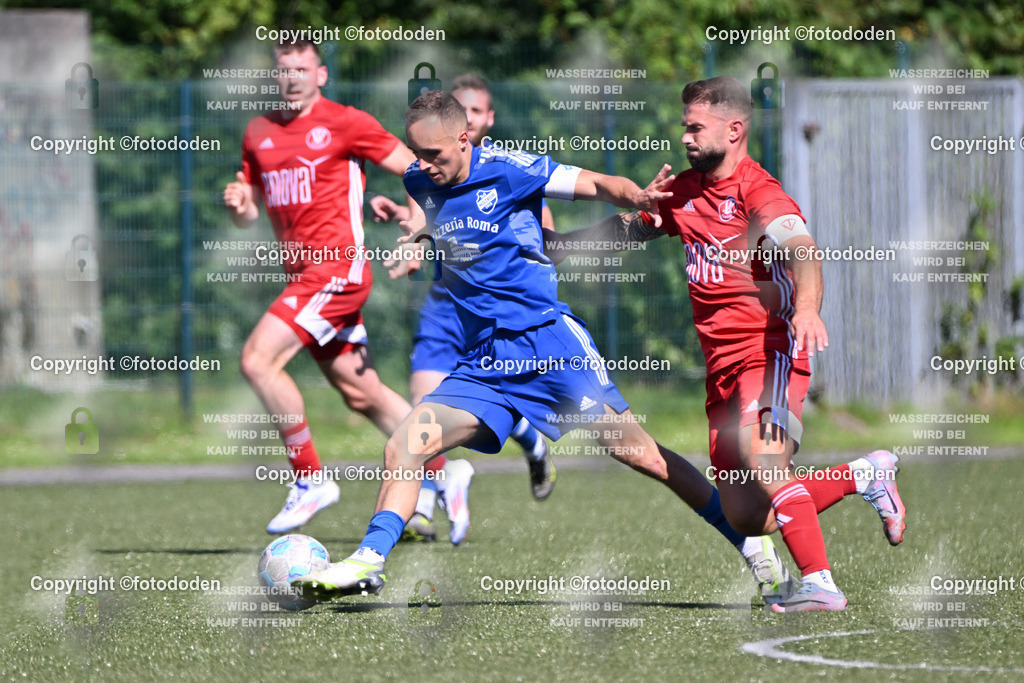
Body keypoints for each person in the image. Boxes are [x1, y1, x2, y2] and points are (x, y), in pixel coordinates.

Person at [293, 90, 795, 602]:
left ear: (464, 139)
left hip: (548, 346)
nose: (422, 164)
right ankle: (368, 561)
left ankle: (751, 544)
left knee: (642, 455)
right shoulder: (420, 180)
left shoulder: (510, 169)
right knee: (405, 445)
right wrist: (421, 237)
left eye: (433, 154)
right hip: (483, 361)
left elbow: (594, 183)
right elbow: (440, 216)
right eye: (416, 153)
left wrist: (637, 197)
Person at [545, 76, 907, 612]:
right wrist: (561, 246)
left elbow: (803, 250)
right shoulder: (684, 190)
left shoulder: (759, 192)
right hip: (722, 371)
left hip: (770, 351)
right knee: (748, 516)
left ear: (734, 130)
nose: (685, 136)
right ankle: (863, 475)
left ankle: (820, 584)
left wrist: (807, 308)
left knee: (764, 458)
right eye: (684, 126)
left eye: (696, 127)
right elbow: (630, 228)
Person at [222, 40, 471, 535]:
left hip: (336, 271)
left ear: (320, 75)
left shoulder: (346, 122)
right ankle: (445, 471)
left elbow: (415, 167)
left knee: (257, 360)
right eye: (284, 70)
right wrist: (239, 205)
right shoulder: (258, 132)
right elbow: (249, 210)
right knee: (363, 394)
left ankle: (310, 479)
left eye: (302, 69)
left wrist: (418, 235)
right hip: (305, 278)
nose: (292, 78)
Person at [370, 74, 556, 545]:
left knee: (489, 403)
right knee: (423, 405)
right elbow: (425, 218)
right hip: (445, 304)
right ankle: (423, 505)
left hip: (500, 318)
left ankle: (528, 439)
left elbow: (545, 240)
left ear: (482, 123)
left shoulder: (511, 172)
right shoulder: (430, 172)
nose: (468, 118)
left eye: (476, 111)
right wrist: (411, 233)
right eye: (462, 109)